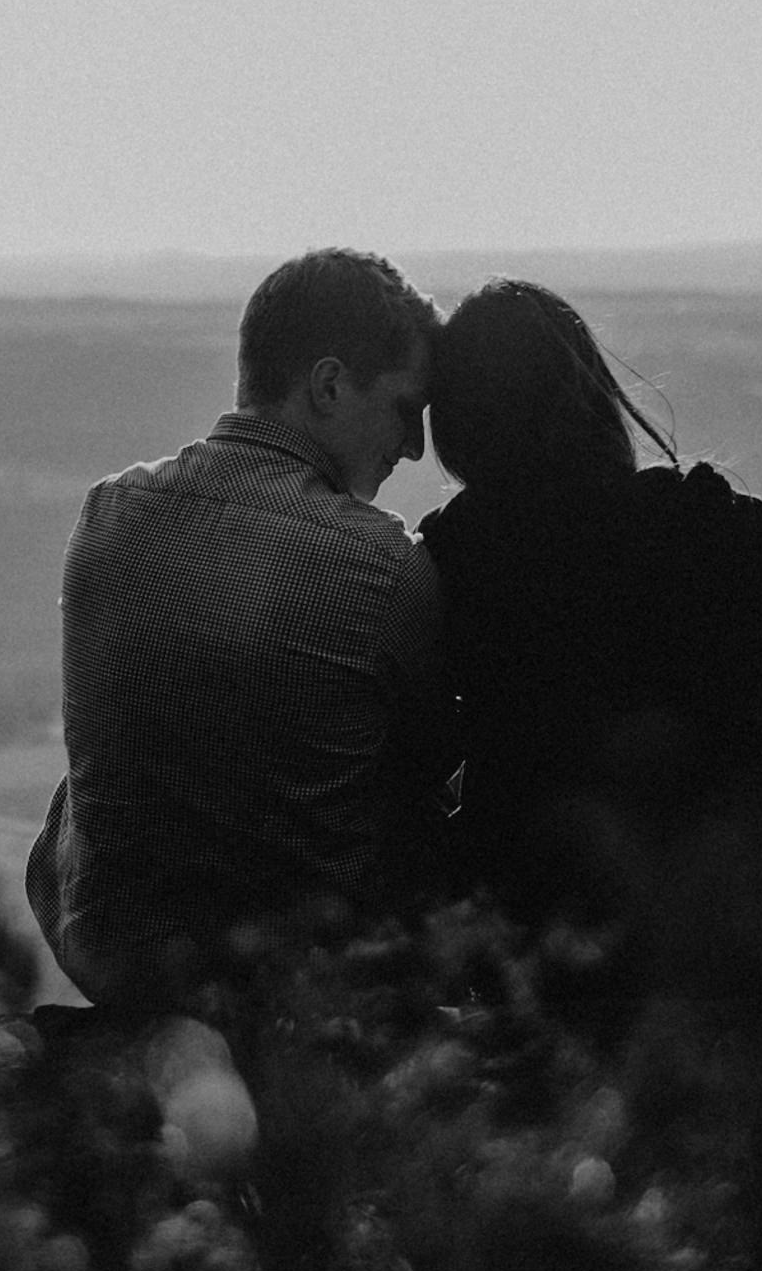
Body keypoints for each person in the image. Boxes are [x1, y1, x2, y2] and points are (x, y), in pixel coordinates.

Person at [28, 247, 453, 1019]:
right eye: (403, 408)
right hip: (301, 987)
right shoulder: (384, 567)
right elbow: (425, 775)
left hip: (118, 961)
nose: (415, 445)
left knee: (87, 785)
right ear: (328, 385)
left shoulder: (105, 515)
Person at [414, 277, 762, 943]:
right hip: (719, 917)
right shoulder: (732, 528)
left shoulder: (447, 559)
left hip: (540, 924)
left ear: (458, 426)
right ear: (588, 392)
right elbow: (753, 766)